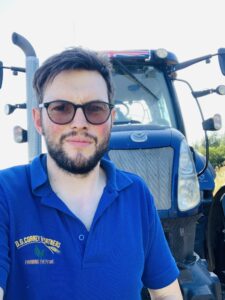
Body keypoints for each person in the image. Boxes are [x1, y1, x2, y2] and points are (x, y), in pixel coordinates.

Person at [0, 47, 183, 300]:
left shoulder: (136, 194)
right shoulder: (5, 194)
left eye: (95, 109)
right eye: (61, 108)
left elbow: (166, 294)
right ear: (39, 120)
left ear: (111, 119)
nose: (79, 122)